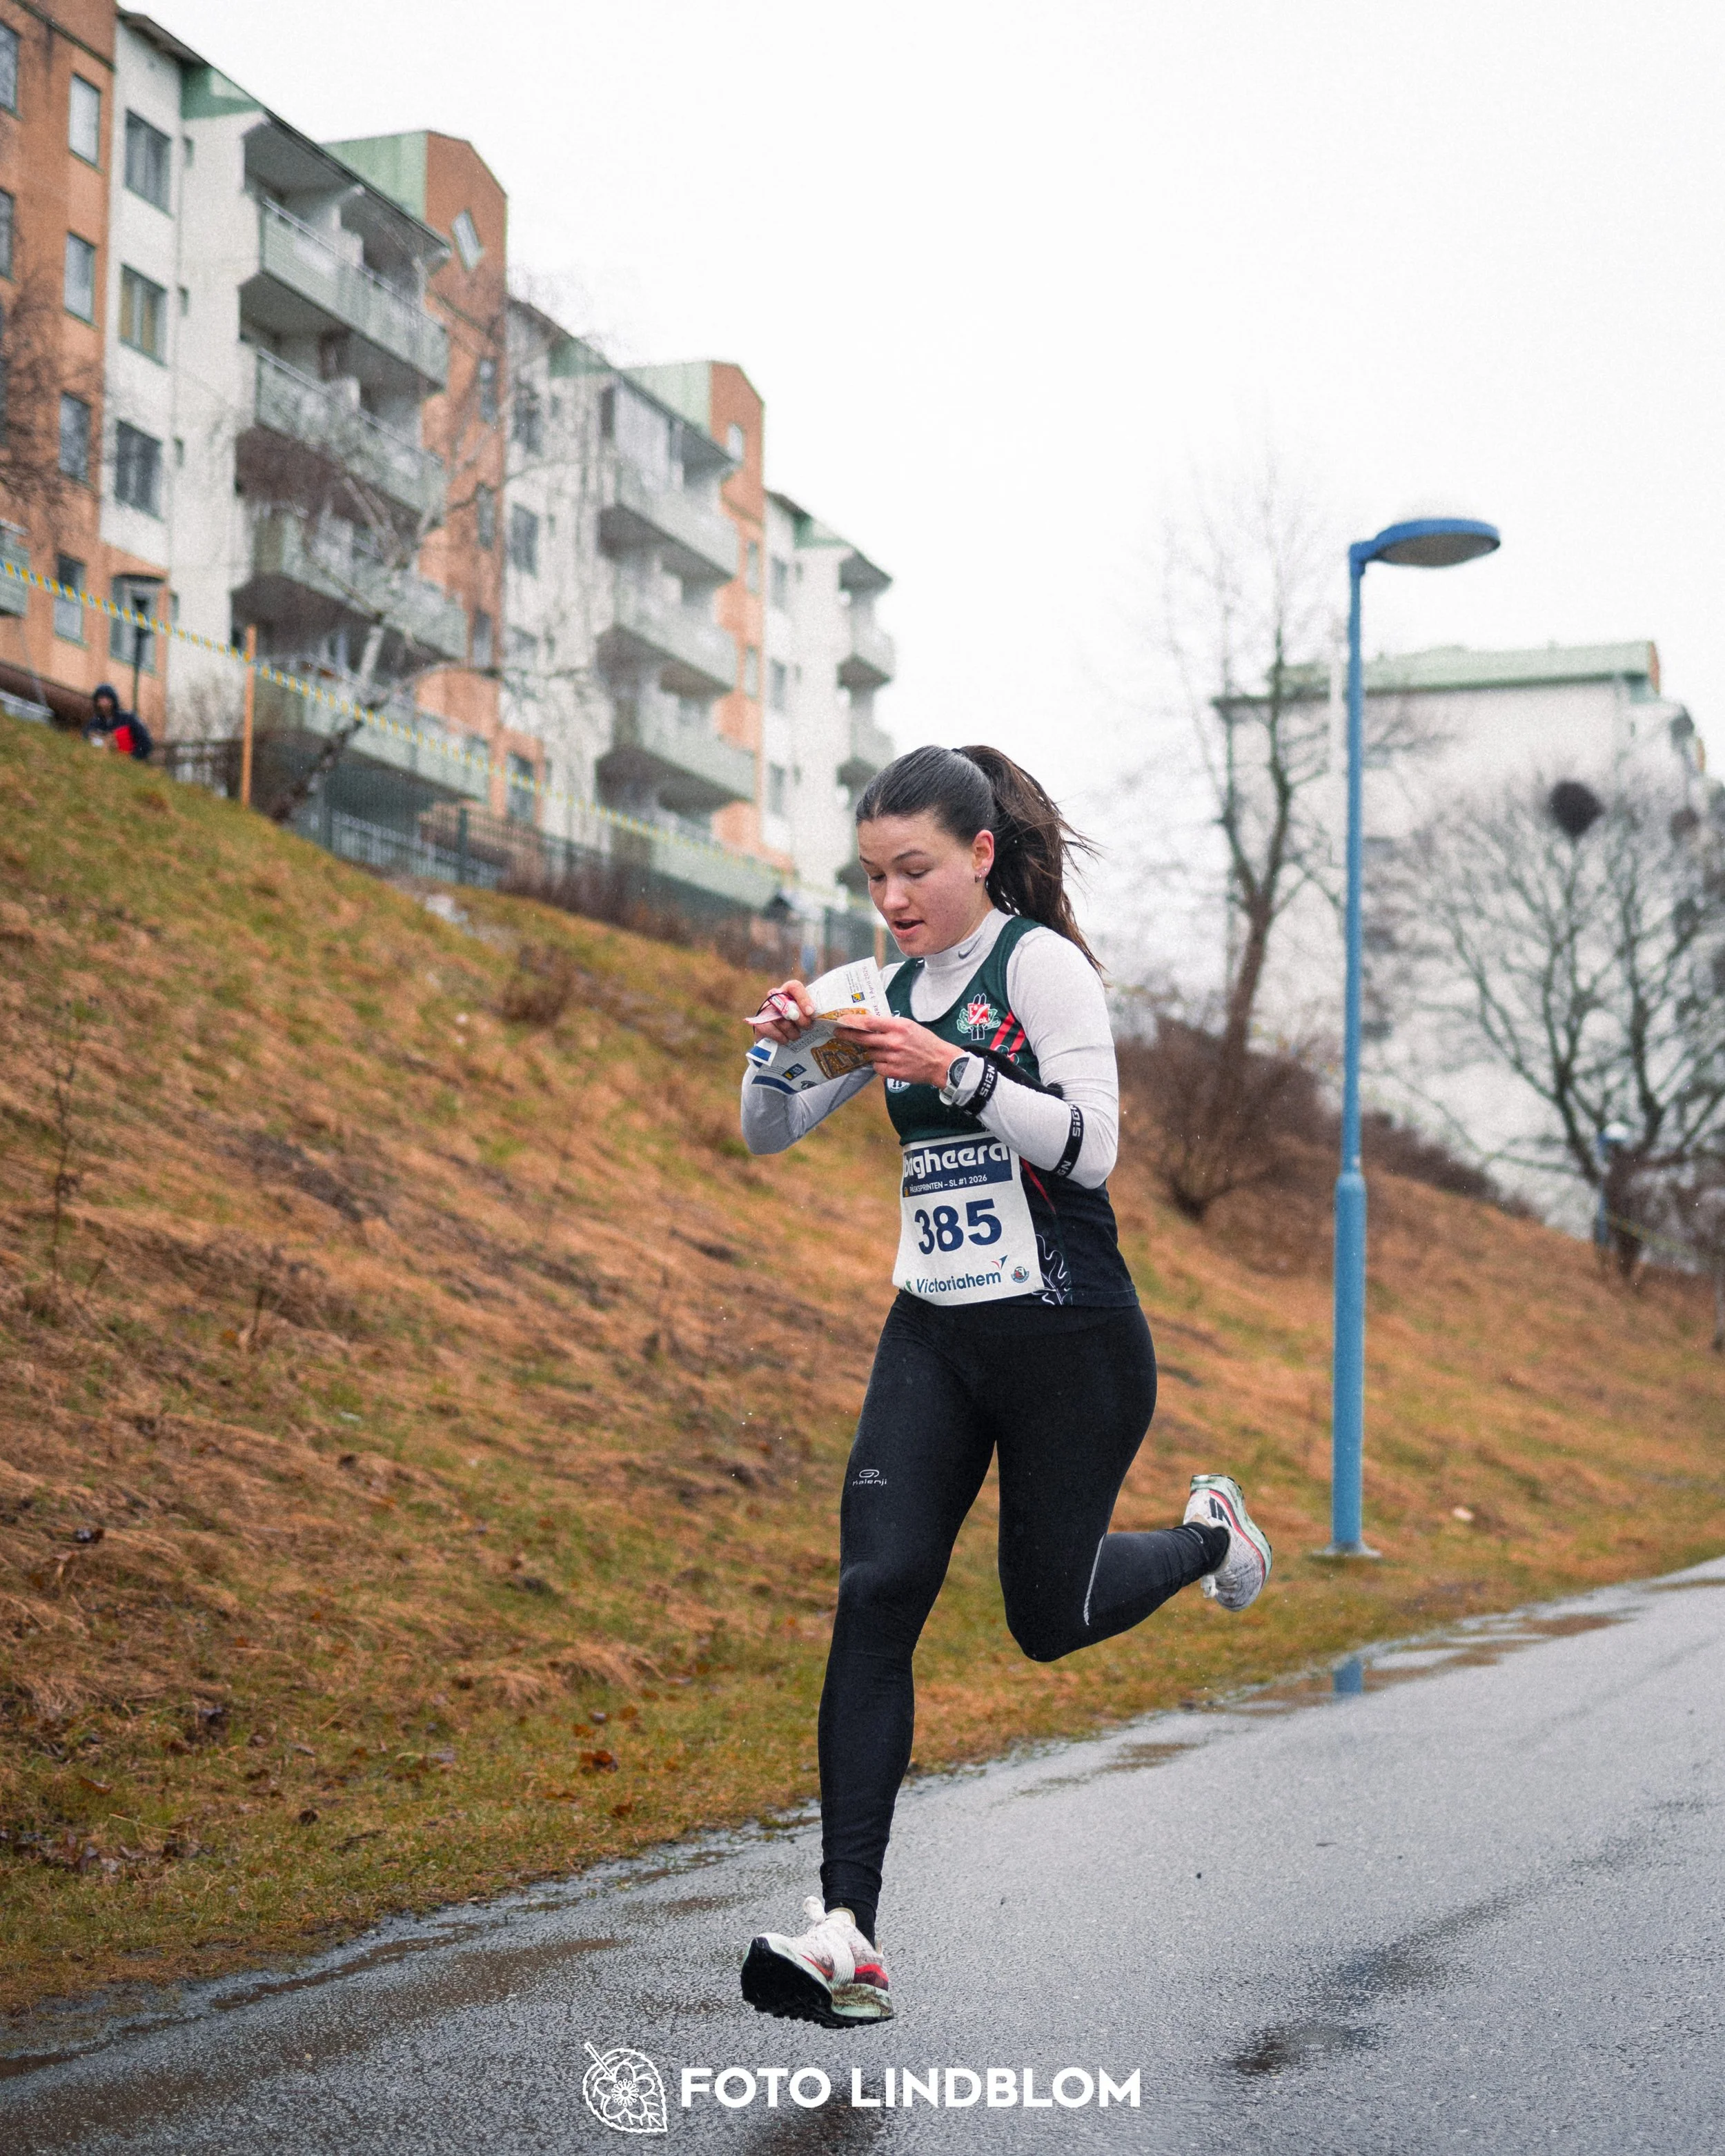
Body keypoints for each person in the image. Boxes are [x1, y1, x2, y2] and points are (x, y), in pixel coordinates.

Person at [734, 744, 1272, 2029]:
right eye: (874, 877)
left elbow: (1093, 1148)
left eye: (915, 870)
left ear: (979, 856)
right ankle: (846, 1933)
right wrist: (782, 1051)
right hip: (933, 1331)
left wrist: (957, 1071)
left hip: (1069, 1339)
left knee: (1047, 1616)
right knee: (877, 1591)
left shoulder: (1041, 967)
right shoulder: (880, 987)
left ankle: (1210, 1537)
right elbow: (765, 1136)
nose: (894, 899)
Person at [85, 684, 152, 761]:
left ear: (113, 700)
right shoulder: (95, 722)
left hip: (128, 763)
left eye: (107, 698)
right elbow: (87, 739)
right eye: (101, 698)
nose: (104, 702)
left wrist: (133, 757)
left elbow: (145, 742)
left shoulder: (128, 719)